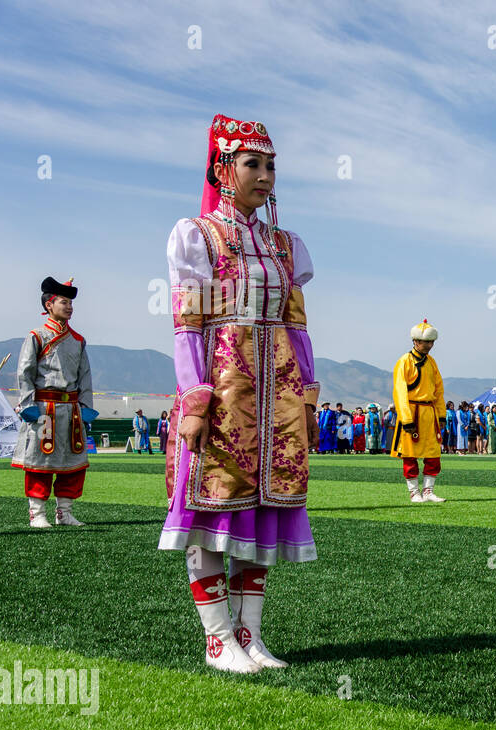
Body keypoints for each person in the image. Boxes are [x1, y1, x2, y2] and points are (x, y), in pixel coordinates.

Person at [161, 113, 319, 674]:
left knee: (263, 513)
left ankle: (250, 634)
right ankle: (216, 638)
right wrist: (195, 399)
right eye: (253, 163)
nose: (266, 175)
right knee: (211, 508)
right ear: (223, 170)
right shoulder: (197, 237)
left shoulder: (283, 245)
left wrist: (306, 396)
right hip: (224, 391)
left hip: (277, 395)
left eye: (272, 165)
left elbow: (297, 328)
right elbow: (187, 327)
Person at [12, 276, 96, 528]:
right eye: (63, 302)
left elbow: (85, 376)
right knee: (40, 461)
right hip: (43, 409)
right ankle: (37, 514)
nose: (69, 307)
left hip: (71, 410)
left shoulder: (78, 340)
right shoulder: (37, 336)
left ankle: (65, 512)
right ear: (49, 304)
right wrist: (27, 404)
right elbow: (24, 372)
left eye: (70, 303)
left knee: (73, 461)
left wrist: (86, 407)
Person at [391, 319, 446, 503]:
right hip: (412, 413)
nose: (429, 346)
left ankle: (429, 491)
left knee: (433, 454)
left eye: (432, 342)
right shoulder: (404, 362)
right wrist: (406, 419)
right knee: (410, 454)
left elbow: (438, 391)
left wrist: (441, 415)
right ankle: (414, 492)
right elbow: (399, 392)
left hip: (429, 414)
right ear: (415, 341)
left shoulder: (432, 362)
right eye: (426, 342)